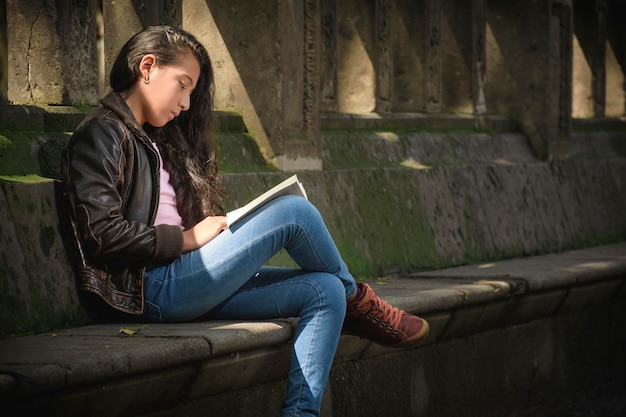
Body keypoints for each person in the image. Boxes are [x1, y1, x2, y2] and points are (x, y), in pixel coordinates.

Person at [62, 25, 429, 417]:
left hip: (186, 282)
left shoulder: (156, 140)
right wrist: (187, 239)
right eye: (183, 85)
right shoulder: (102, 133)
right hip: (148, 287)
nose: (186, 103)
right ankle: (361, 301)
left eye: (192, 92)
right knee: (295, 212)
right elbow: (101, 234)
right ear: (147, 66)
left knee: (323, 291)